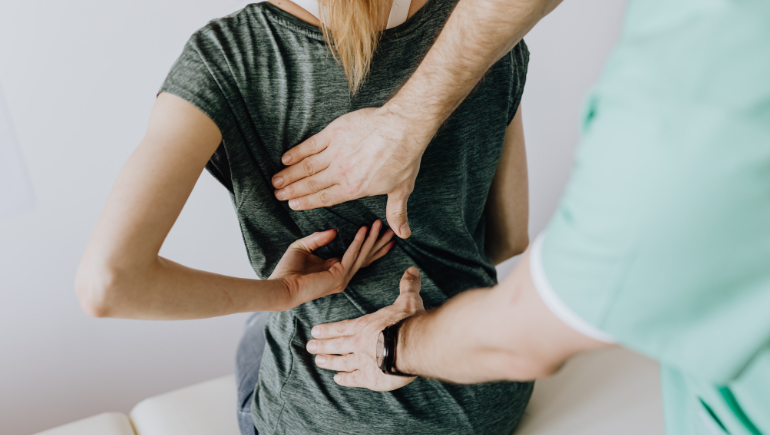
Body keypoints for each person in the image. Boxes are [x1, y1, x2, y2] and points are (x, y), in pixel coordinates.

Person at [285, 0, 770, 433]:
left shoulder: (232, 52)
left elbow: (534, 330)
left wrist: (390, 345)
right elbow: (511, 239)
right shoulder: (502, 58)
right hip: (491, 403)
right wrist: (407, 118)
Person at [75, 0, 535, 434]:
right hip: (487, 394)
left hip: (335, 416)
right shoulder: (481, 25)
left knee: (258, 326)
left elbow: (110, 284)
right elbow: (509, 238)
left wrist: (283, 292)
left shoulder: (228, 55)